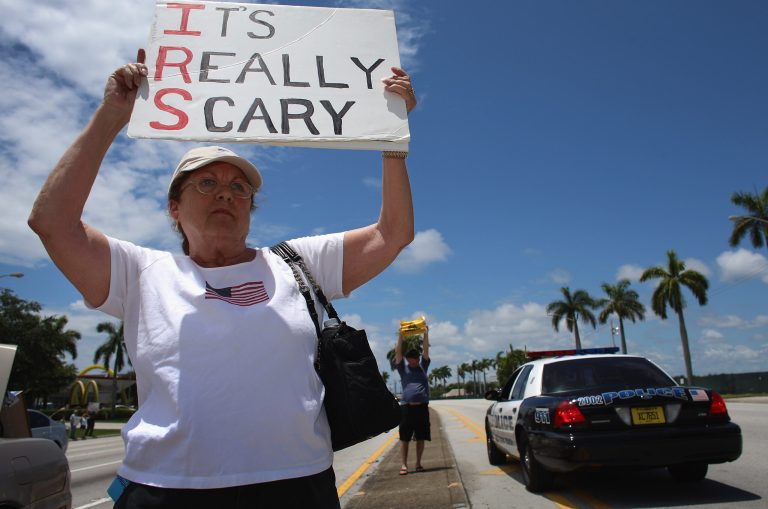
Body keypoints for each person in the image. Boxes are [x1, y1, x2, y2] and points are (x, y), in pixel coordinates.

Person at [28, 48, 416, 509]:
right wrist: (113, 115)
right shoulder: (138, 273)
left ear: (250, 208)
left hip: (296, 486)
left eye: (239, 188)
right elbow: (52, 221)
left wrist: (394, 137)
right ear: (174, 207)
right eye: (206, 183)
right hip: (164, 490)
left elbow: (393, 233)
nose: (225, 195)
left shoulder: (298, 263)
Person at [394, 326, 430, 475]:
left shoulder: (423, 366)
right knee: (404, 438)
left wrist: (426, 334)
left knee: (421, 437)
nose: (412, 361)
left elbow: (426, 351)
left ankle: (418, 463)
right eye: (410, 359)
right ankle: (404, 465)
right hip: (407, 408)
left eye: (415, 359)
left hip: (422, 407)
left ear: (418, 359)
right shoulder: (403, 369)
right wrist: (400, 336)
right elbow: (397, 353)